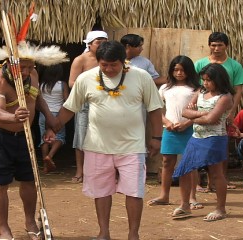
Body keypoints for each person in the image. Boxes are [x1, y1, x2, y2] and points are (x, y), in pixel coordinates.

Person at [45, 41, 163, 240]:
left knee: (134, 192)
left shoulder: (141, 77)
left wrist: (157, 138)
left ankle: (133, 235)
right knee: (101, 191)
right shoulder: (86, 79)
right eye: (104, 65)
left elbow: (154, 109)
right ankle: (104, 233)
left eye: (113, 65)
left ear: (123, 61)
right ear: (98, 61)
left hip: (132, 146)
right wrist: (53, 127)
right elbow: (70, 108)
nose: (108, 69)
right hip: (96, 146)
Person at [0, 41, 68, 240]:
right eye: (23, 67)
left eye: (31, 66)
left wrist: (49, 118)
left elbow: (37, 98)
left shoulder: (33, 76)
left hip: (25, 135)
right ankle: (4, 229)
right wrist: (14, 117)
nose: (28, 71)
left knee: (29, 180)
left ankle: (30, 221)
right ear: (10, 64)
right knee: (0, 183)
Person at [171, 63, 234, 222]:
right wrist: (204, 113)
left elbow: (212, 119)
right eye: (204, 80)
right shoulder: (200, 91)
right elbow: (185, 112)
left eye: (208, 80)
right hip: (196, 137)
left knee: (216, 173)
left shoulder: (225, 97)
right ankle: (185, 205)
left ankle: (220, 209)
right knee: (185, 169)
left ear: (219, 80)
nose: (205, 83)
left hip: (215, 139)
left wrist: (196, 115)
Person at [147, 55, 203, 210]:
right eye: (176, 69)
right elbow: (157, 109)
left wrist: (187, 123)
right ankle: (164, 195)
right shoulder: (165, 88)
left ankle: (192, 197)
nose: (179, 73)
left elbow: (203, 111)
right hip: (170, 130)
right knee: (167, 162)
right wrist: (167, 123)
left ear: (189, 71)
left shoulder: (197, 89)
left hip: (190, 130)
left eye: (183, 70)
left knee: (190, 164)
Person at [195, 32, 243, 191]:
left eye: (220, 45)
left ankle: (220, 180)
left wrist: (231, 111)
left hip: (224, 109)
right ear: (209, 45)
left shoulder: (235, 66)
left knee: (222, 145)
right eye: (213, 45)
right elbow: (197, 88)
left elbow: (238, 90)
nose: (216, 48)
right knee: (198, 143)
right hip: (203, 110)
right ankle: (198, 182)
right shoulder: (200, 64)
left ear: (226, 46)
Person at [68, 30, 108, 183]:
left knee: (104, 137)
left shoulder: (109, 60)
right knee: (81, 136)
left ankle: (102, 172)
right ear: (89, 44)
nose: (102, 45)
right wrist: (92, 87)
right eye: (99, 42)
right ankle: (80, 171)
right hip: (85, 103)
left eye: (105, 42)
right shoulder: (81, 60)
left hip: (106, 103)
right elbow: (72, 83)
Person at [38, 64, 69, 173]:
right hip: (58, 114)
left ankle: (45, 165)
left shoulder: (40, 85)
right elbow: (66, 100)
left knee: (44, 138)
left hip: (44, 114)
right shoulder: (62, 85)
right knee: (60, 137)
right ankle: (50, 156)